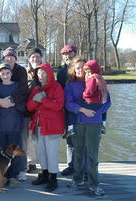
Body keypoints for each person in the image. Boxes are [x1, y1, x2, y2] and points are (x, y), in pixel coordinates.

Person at [65, 57, 111, 196]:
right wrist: (82, 110)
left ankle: (94, 184)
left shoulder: (98, 81)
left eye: (82, 68)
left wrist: (96, 111)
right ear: (73, 70)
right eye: (77, 68)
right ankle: (78, 179)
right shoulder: (70, 85)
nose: (80, 71)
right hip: (78, 123)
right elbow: (68, 103)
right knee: (78, 153)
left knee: (92, 155)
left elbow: (107, 103)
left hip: (94, 123)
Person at [0, 47, 28, 181]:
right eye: (3, 73)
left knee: (16, 150)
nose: (5, 75)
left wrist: (12, 103)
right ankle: (3, 174)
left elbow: (23, 103)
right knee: (2, 151)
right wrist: (0, 103)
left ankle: (14, 174)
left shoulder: (18, 85)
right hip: (1, 125)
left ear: (11, 73)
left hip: (15, 124)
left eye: (8, 73)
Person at [26, 63, 65, 192]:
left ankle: (53, 178)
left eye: (43, 73)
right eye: (38, 74)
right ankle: (44, 174)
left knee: (51, 153)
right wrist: (36, 100)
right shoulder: (36, 88)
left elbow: (58, 105)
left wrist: (43, 100)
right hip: (39, 125)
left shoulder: (56, 86)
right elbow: (29, 107)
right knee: (41, 152)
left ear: (49, 74)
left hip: (52, 126)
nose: (41, 76)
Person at [57, 44, 77, 176]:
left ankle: (83, 167)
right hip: (66, 110)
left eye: (70, 53)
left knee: (82, 141)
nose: (68, 56)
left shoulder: (82, 68)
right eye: (65, 54)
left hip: (80, 110)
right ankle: (71, 166)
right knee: (69, 139)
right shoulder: (61, 72)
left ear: (75, 53)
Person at [24, 47, 44, 174]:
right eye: (32, 57)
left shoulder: (45, 71)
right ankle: (31, 162)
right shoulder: (25, 73)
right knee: (29, 139)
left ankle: (45, 165)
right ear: (29, 59)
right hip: (28, 111)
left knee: (42, 139)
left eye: (37, 57)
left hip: (42, 112)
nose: (35, 59)